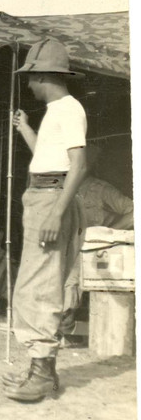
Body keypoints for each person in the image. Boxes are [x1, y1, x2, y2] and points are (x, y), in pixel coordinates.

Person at [2, 38, 88, 402]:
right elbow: (47, 158)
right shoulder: (57, 112)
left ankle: (41, 372)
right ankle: (43, 372)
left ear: (43, 75)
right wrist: (24, 128)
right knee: (36, 283)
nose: (29, 83)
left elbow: (79, 166)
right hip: (42, 193)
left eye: (31, 76)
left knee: (37, 286)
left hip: (51, 198)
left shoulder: (69, 109)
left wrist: (55, 211)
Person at [59, 145, 133, 341]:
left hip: (91, 251)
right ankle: (59, 323)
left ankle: (66, 322)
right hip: (65, 248)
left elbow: (134, 210)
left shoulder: (100, 189)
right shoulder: (60, 188)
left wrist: (109, 232)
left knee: (72, 275)